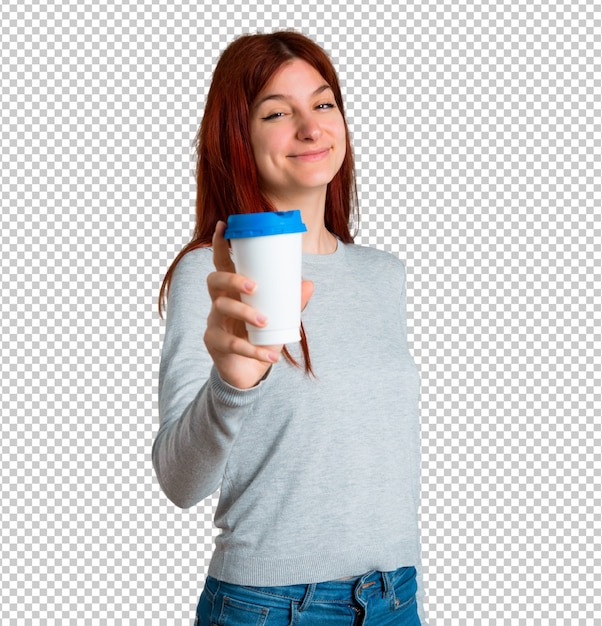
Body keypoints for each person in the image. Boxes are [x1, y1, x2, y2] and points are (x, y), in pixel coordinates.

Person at [153, 30, 427, 625]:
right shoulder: (212, 271)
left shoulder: (385, 275)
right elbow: (179, 482)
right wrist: (232, 386)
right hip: (271, 606)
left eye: (323, 104)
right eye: (278, 113)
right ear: (238, 138)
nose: (311, 127)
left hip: (395, 596)